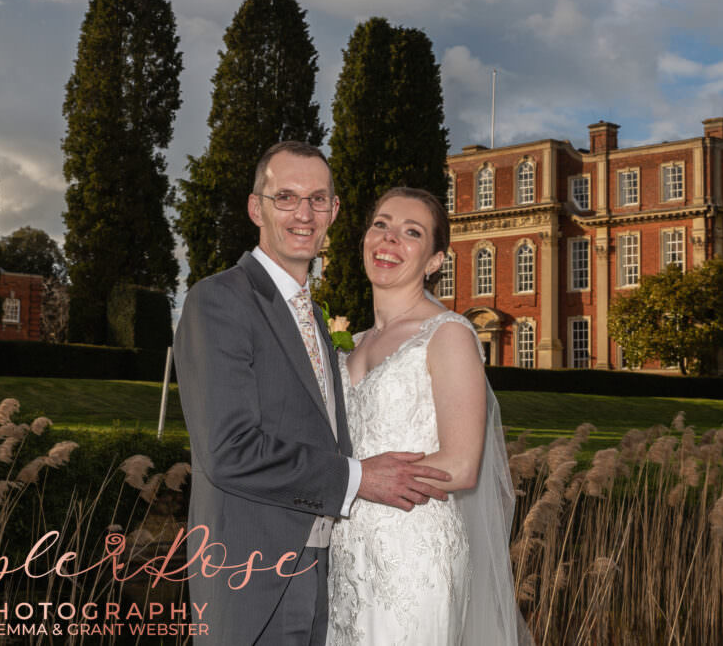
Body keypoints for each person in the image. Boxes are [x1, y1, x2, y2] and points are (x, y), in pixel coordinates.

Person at [173, 143, 452, 645]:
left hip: (324, 577)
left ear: (334, 211)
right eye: (286, 197)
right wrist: (360, 478)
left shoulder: (317, 319)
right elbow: (228, 451)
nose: (304, 213)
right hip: (250, 581)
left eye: (318, 199)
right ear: (256, 208)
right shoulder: (219, 300)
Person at [327, 187, 529, 645]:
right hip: (344, 553)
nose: (389, 238)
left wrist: (357, 478)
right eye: (381, 224)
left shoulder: (448, 334)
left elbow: (461, 466)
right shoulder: (346, 344)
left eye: (410, 232)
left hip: (413, 552)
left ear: (435, 261)